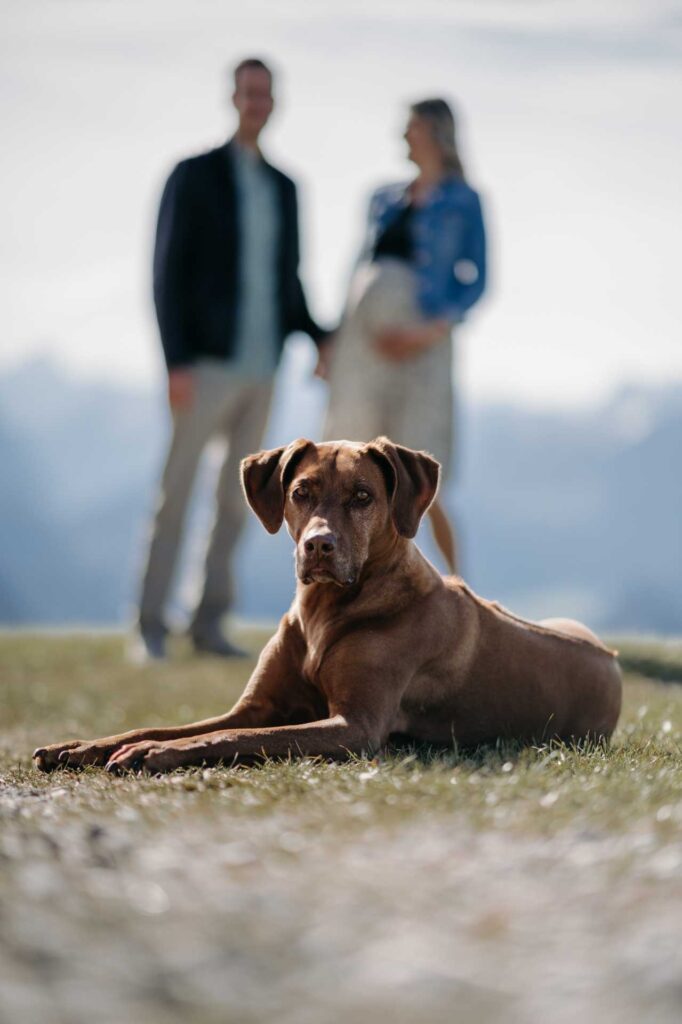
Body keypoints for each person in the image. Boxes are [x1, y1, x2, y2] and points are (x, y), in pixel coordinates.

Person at [132, 58, 327, 661]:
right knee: (177, 493)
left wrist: (321, 337)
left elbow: (288, 279)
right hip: (204, 365)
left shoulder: (285, 187)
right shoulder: (193, 175)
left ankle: (208, 624)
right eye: (247, 92)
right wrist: (175, 360)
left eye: (265, 93)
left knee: (238, 501)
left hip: (263, 367)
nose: (256, 102)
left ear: (275, 101)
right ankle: (149, 627)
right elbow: (166, 272)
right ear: (233, 97)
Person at [321, 98, 486, 575]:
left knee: (419, 477)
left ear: (435, 132)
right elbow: (358, 269)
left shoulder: (463, 200)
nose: (403, 136)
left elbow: (477, 279)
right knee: (351, 469)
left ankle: (461, 592)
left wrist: (433, 328)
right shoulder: (382, 197)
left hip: (424, 348)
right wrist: (335, 339)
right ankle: (349, 582)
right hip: (363, 352)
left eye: (411, 128)